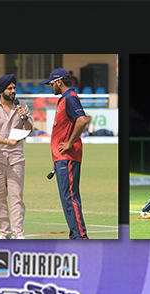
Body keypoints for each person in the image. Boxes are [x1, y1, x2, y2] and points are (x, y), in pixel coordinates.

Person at [43, 68, 91, 240]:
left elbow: (82, 120)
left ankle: (80, 237)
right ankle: (76, 235)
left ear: (59, 82)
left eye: (51, 84)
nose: (50, 87)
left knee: (69, 197)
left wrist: (70, 142)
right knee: (67, 197)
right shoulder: (65, 99)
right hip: (62, 158)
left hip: (68, 156)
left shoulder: (70, 98)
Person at [0, 74, 32, 239]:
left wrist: (25, 118)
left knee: (16, 197)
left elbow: (30, 130)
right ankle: (5, 232)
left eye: (14, 88)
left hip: (16, 158)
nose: (13, 91)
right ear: (1, 90)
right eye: (9, 88)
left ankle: (19, 233)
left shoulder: (22, 105)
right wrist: (6, 142)